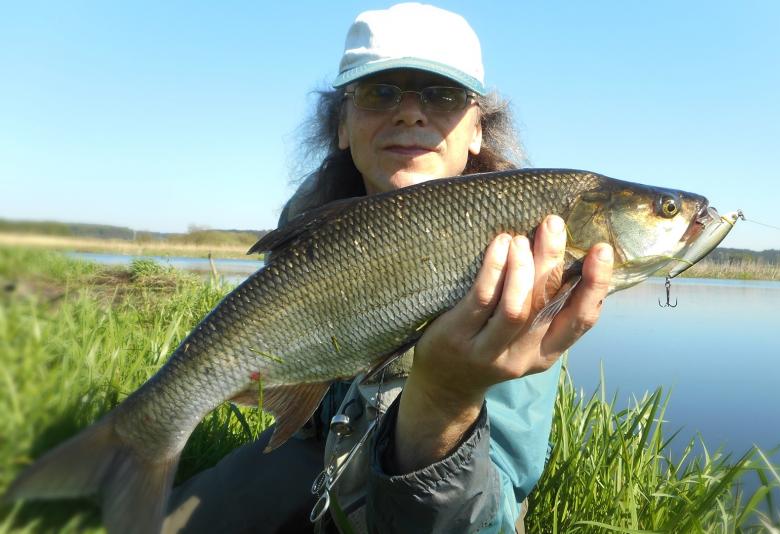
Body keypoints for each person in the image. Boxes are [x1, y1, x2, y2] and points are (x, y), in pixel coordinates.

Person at [164, 3, 612, 533]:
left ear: (477, 130)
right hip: (316, 448)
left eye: (443, 96)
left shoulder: (531, 253)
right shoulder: (309, 220)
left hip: (440, 480)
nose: (411, 114)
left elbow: (491, 507)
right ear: (341, 125)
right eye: (379, 93)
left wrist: (444, 399)